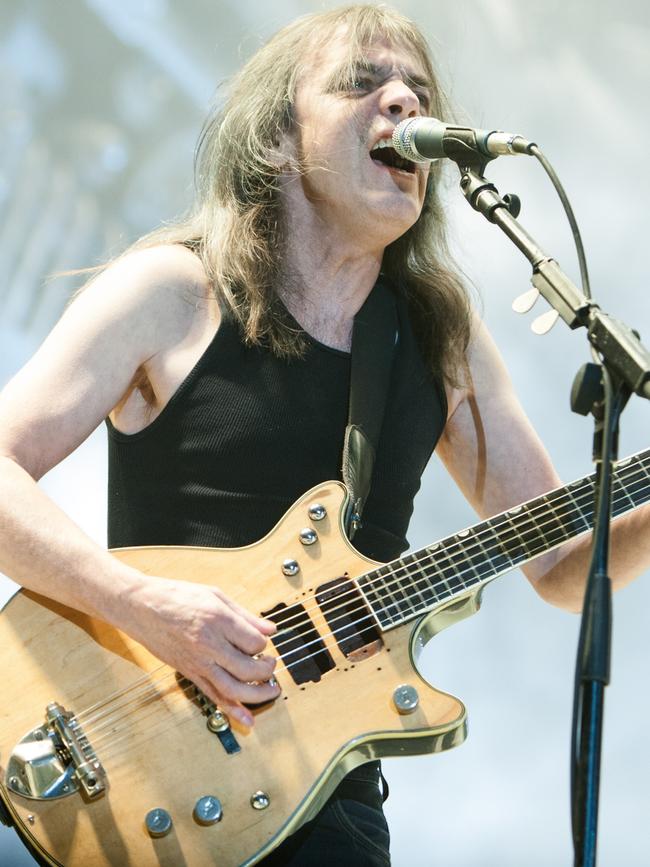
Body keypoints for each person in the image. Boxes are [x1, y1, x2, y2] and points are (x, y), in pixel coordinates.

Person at [0, 5, 647, 866]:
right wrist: (142, 604)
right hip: (115, 753)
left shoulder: (441, 337)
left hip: (320, 799)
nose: (403, 103)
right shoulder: (172, 292)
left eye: (418, 90)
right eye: (362, 82)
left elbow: (565, 565)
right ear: (277, 138)